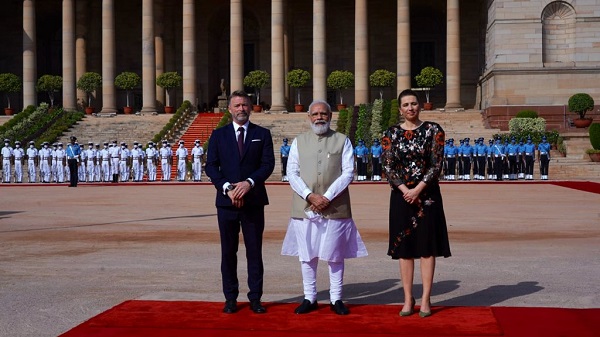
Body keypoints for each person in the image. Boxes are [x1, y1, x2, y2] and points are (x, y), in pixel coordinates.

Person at [281, 100, 368, 316]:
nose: (319, 117)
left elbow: (348, 172)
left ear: (330, 116)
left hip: (335, 206)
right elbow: (292, 172)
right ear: (309, 117)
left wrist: (326, 197)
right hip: (305, 206)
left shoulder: (342, 141)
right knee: (307, 254)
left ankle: (336, 298)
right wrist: (310, 195)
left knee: (335, 254)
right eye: (315, 114)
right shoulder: (299, 142)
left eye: (324, 114)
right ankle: (309, 297)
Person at [381, 89, 451, 318]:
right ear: (400, 109)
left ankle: (425, 298)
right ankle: (407, 298)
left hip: (427, 196)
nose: (410, 108)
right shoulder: (390, 133)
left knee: (427, 248)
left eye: (414, 103)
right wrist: (405, 190)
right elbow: (388, 166)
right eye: (406, 105)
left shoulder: (433, 130)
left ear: (420, 105)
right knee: (405, 249)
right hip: (401, 197)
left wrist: (418, 189)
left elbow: (436, 164)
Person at [205, 90, 275, 314]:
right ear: (230, 109)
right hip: (226, 203)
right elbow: (211, 166)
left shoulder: (262, 134)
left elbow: (267, 164)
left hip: (253, 200)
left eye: (244, 105)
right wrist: (227, 188)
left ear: (251, 107)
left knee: (254, 251)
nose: (241, 109)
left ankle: (255, 298)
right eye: (237, 106)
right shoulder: (218, 135)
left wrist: (249, 183)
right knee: (228, 252)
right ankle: (230, 297)